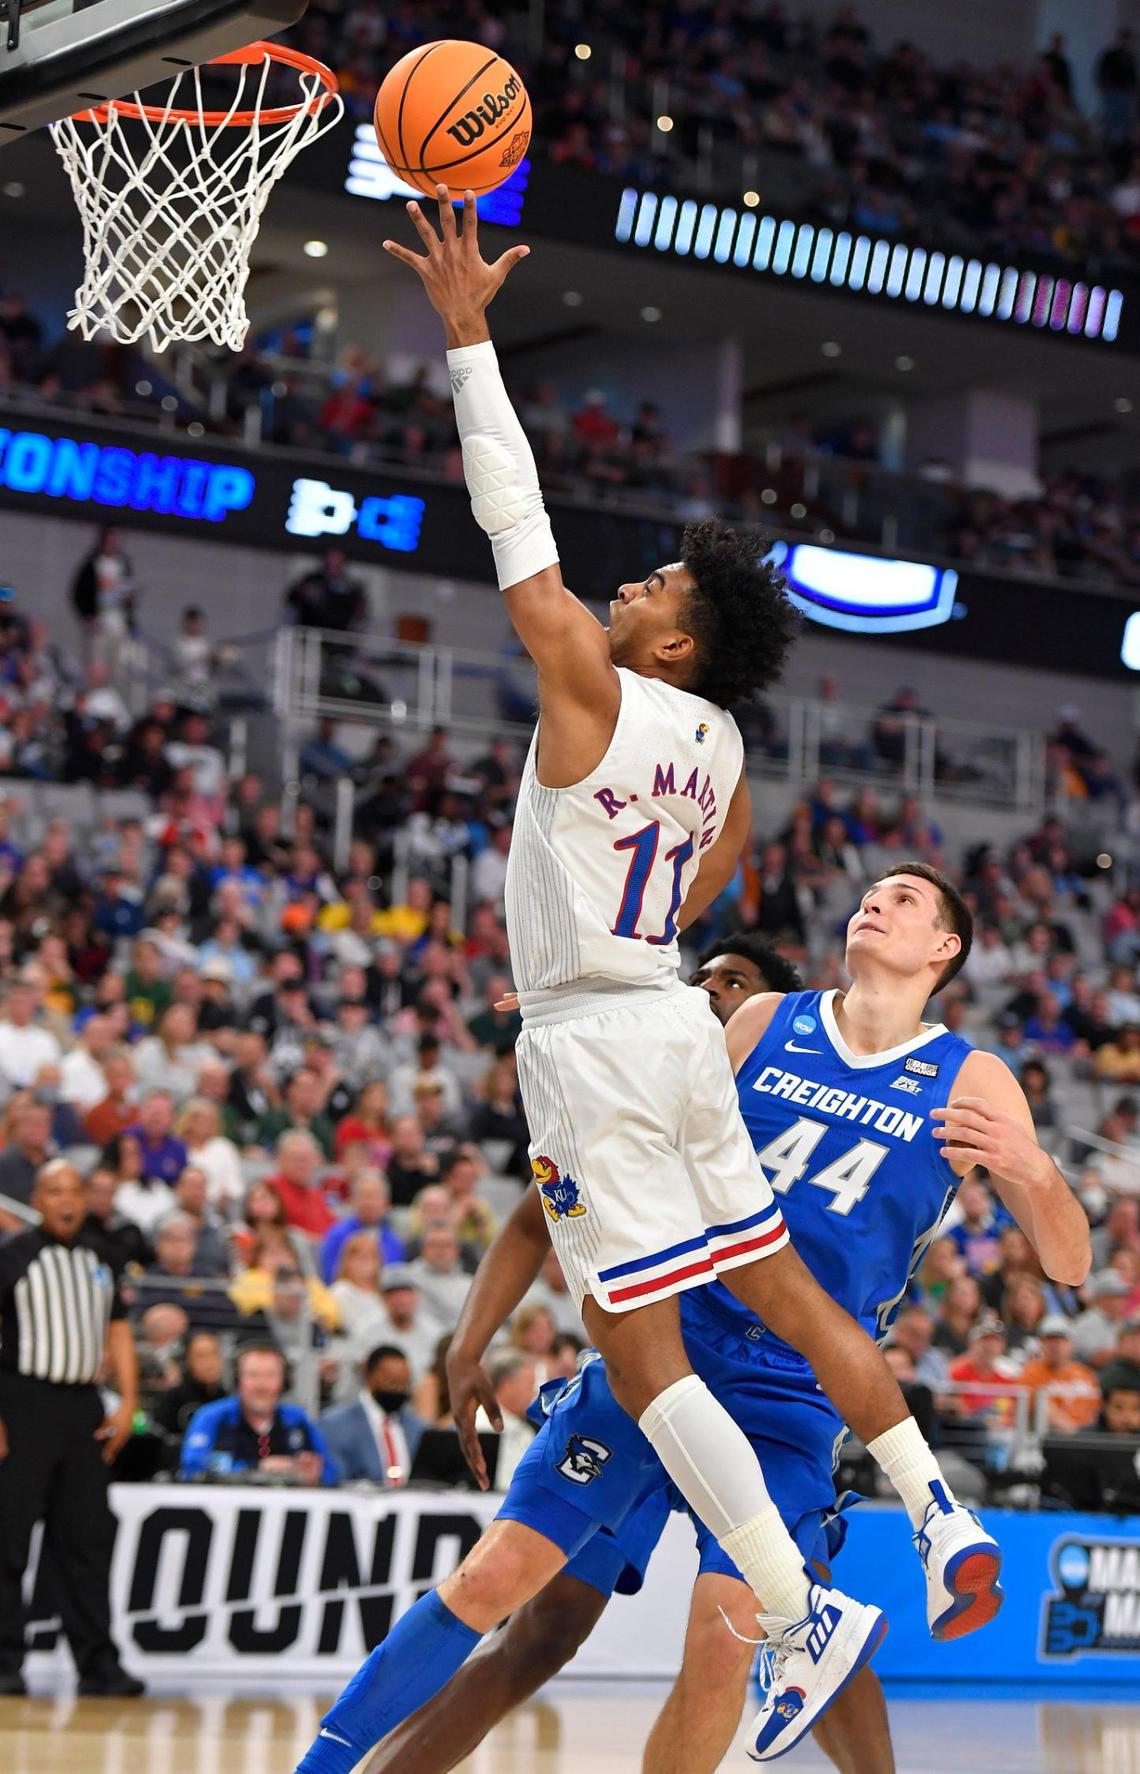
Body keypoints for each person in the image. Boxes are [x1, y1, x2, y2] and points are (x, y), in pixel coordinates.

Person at [306, 190, 997, 1768]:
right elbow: (717, 865)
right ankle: (911, 1531)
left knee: (642, 1354)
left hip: (603, 1050)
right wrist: (595, 940)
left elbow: (514, 527)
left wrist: (472, 340)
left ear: (675, 648)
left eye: (660, 594)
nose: (632, 590)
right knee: (769, 1292)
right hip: (673, 1017)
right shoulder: (724, 739)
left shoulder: (590, 684)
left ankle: (793, 1602)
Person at [343, 901, 1090, 1774]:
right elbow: (564, 1186)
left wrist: (1036, 1172)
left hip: (796, 1391)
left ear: (945, 948)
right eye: (870, 895)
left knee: (728, 1638)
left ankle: (906, 1548)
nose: (875, 905)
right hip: (665, 1352)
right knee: (524, 1618)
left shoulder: (973, 1078)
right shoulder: (771, 1022)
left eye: (904, 900)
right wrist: (571, 1019)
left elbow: (1069, 1264)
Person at [0, 1161, 144, 1697]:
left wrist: (128, 1402)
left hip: (83, 1407)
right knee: (8, 1538)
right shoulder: (12, 1256)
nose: (65, 1200)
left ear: (86, 1199)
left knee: (85, 1541)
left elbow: (119, 1331)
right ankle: (4, 1661)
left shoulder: (102, 1256)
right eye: (54, 1190)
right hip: (22, 1401)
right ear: (37, 1199)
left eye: (74, 1191)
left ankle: (97, 1664)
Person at [180, 1342, 337, 1483]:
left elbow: (332, 1472)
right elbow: (191, 1468)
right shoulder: (212, 1417)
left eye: (271, 1375)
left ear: (285, 1381)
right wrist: (256, 1469)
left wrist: (313, 1475)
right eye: (253, 1375)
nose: (261, 1385)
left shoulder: (298, 1419)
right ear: (237, 1379)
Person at [320, 1345, 428, 1485]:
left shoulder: (419, 1428)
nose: (399, 1390)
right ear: (369, 1377)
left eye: (405, 1385)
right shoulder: (336, 1425)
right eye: (392, 1383)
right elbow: (335, 1477)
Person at [150, 1330, 228, 1441]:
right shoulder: (173, 1399)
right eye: (200, 1356)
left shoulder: (228, 1399)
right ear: (188, 1360)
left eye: (214, 1354)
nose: (209, 1363)